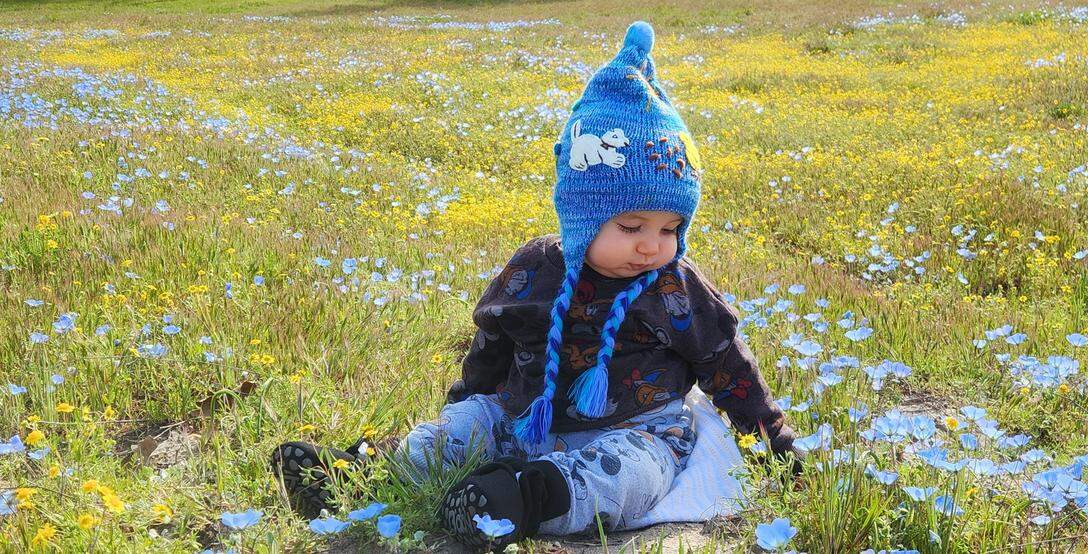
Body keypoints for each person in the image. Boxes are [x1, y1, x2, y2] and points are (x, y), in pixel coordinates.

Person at [272, 20, 799, 549]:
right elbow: (492, 346)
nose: (652, 246)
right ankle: (350, 476)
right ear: (581, 218)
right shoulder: (535, 269)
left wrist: (774, 443)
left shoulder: (676, 287)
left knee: (632, 475)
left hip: (640, 428)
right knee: (454, 434)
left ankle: (525, 499)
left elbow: (729, 367)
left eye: (670, 229)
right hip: (524, 417)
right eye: (632, 227)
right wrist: (465, 410)